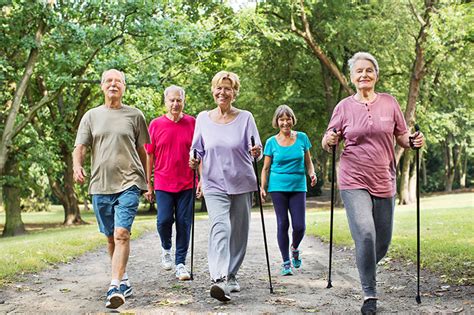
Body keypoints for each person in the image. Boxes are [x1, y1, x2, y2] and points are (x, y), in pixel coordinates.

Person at [321, 52, 424, 315]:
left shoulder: (389, 103)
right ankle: (370, 294)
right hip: (353, 178)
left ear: (376, 75)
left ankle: (363, 262)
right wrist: (329, 140)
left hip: (384, 178)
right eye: (359, 71)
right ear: (352, 77)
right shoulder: (343, 107)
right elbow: (328, 137)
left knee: (382, 241)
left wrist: (413, 142)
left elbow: (402, 136)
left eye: (369, 70)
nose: (364, 75)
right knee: (365, 233)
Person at [73, 69, 150, 309]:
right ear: (102, 86)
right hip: (100, 184)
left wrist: (146, 181)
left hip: (129, 182)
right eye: (109, 80)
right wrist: (77, 166)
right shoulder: (91, 116)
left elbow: (143, 152)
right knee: (110, 237)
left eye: (118, 81)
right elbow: (81, 146)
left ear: (124, 87)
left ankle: (115, 284)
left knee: (121, 234)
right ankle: (123, 277)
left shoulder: (135, 115)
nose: (113, 84)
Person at [189, 71, 262, 302]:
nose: (223, 92)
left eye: (228, 88)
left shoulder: (246, 117)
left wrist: (256, 152)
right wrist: (193, 160)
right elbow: (197, 150)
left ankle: (231, 275)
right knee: (220, 227)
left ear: (235, 93)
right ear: (213, 90)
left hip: (241, 181)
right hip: (213, 182)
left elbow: (256, 148)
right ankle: (219, 278)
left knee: (239, 233)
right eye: (219, 88)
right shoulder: (202, 118)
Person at [144, 85, 195, 281]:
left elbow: (199, 153)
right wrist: (148, 183)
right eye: (171, 100)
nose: (175, 104)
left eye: (179, 100)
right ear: (165, 102)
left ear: (183, 101)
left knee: (184, 222)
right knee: (163, 220)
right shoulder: (155, 124)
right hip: (163, 182)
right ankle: (166, 248)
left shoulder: (193, 123)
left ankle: (180, 263)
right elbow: (149, 155)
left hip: (187, 182)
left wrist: (200, 179)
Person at [260, 105, 317, 276]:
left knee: (300, 226)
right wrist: (262, 187)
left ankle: (294, 248)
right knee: (282, 223)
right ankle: (286, 262)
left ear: (292, 119)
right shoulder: (271, 142)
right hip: (278, 187)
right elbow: (265, 168)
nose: (285, 122)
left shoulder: (302, 138)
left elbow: (308, 161)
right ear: (277, 122)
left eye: (288, 118)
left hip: (298, 186)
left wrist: (312, 173)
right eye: (281, 119)